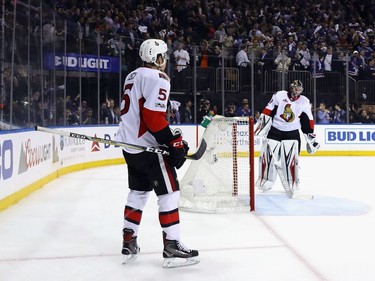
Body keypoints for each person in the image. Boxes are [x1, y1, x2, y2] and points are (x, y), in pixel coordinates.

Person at [115, 39, 199, 268]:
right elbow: (152, 117)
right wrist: (172, 142)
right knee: (170, 192)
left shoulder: (132, 76)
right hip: (150, 148)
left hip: (130, 147)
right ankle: (172, 244)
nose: (166, 61)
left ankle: (128, 240)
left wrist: (171, 141)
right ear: (157, 58)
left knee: (138, 192)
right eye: (164, 56)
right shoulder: (159, 78)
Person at [254, 80, 319, 197]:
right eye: (295, 89)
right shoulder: (280, 95)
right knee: (267, 157)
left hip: (292, 133)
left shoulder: (304, 101)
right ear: (291, 88)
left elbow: (308, 119)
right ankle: (265, 181)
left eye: (299, 90)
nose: (297, 91)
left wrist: (310, 137)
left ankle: (292, 183)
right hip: (275, 131)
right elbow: (268, 110)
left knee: (291, 161)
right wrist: (261, 128)